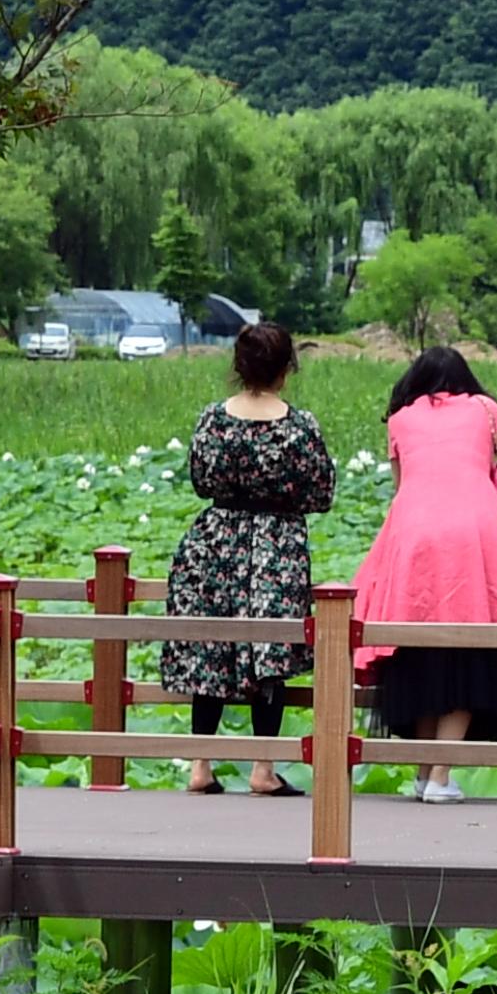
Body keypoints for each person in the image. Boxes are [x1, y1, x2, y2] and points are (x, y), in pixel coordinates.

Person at [350, 346, 497, 804]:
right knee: (473, 648)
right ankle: (440, 775)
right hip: (474, 533)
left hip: (412, 535)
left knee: (418, 650)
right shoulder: (484, 409)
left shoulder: (400, 418)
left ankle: (426, 774)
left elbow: (403, 486)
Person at [161, 323, 334, 796]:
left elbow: (200, 480)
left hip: (215, 538)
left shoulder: (212, 420)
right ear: (286, 370)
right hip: (276, 544)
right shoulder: (300, 426)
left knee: (211, 648)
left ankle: (200, 765)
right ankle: (263, 767)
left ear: (238, 367)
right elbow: (322, 493)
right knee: (270, 653)